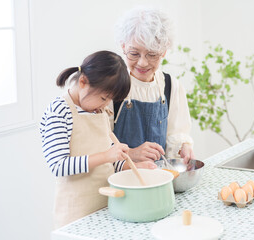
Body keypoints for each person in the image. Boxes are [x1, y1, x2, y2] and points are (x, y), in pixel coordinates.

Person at [39, 50, 156, 229]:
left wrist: (133, 167)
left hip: (107, 207)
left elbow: (110, 162)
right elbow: (58, 166)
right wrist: (107, 156)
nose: (105, 104)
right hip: (75, 216)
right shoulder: (59, 111)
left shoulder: (98, 111)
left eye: (109, 100)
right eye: (103, 98)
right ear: (83, 82)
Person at [112, 7, 195, 163]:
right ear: (123, 47)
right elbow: (99, 144)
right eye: (134, 53)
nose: (143, 62)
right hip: (120, 181)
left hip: (159, 179)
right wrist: (131, 153)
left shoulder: (171, 87)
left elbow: (177, 133)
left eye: (152, 54)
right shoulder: (112, 87)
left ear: (164, 51)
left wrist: (183, 146)